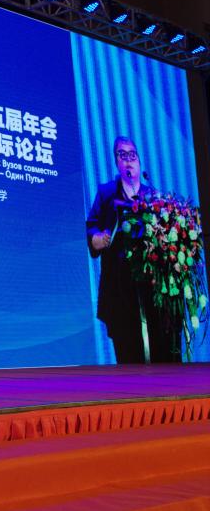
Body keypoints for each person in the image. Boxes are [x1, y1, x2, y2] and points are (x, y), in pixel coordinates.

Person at [86, 136, 178, 363]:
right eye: (122, 154)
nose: (128, 159)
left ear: (139, 161)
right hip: (119, 288)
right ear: (116, 162)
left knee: (162, 353)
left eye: (132, 154)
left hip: (152, 287)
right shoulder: (107, 193)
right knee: (129, 356)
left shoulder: (153, 196)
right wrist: (97, 238)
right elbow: (92, 226)